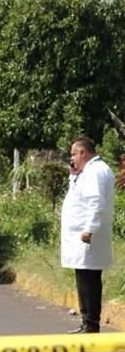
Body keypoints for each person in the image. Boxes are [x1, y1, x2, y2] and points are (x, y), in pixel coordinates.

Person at [61, 136, 115, 334]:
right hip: (83, 236)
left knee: (89, 280)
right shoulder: (88, 171)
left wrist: (89, 229)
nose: (72, 158)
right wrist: (73, 175)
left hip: (88, 235)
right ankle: (87, 322)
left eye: (74, 154)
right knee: (84, 277)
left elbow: (95, 202)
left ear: (83, 153)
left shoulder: (95, 171)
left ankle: (91, 324)